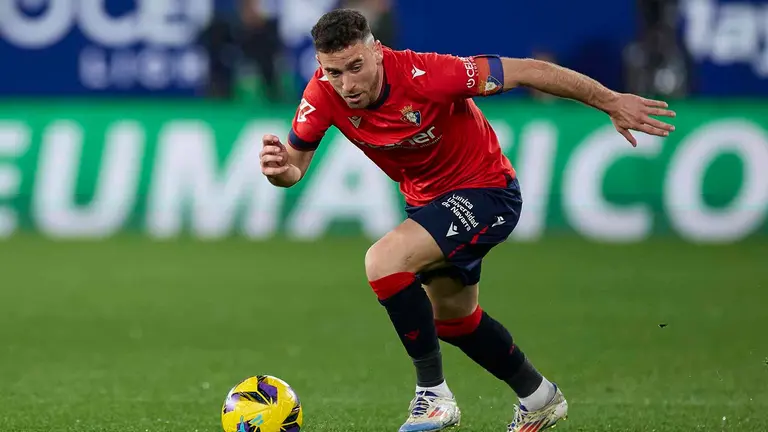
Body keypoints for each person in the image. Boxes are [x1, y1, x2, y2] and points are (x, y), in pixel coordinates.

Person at [259, 9, 676, 432]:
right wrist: (279, 171)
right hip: (429, 205)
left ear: (377, 52)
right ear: (320, 67)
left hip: (488, 191)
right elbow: (294, 168)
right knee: (452, 320)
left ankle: (433, 397)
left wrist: (611, 101)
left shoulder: (431, 74)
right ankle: (540, 398)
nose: (347, 84)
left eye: (355, 67)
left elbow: (529, 71)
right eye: (334, 72)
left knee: (383, 261)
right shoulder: (321, 94)